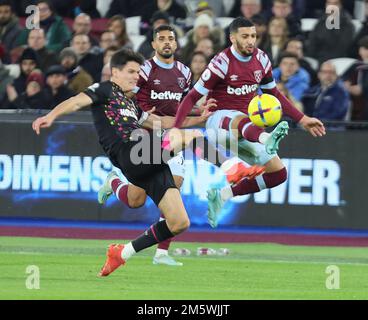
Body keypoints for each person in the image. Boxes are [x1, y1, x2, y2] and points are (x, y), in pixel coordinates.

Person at [32, 48, 263, 276]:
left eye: (138, 72)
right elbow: (75, 101)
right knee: (190, 138)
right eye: (131, 72)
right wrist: (50, 116)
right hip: (129, 153)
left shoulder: (132, 105)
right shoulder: (104, 90)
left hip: (146, 159)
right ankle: (231, 168)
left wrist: (198, 118)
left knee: (179, 222)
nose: (136, 77)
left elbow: (159, 122)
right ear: (115, 72)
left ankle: (122, 253)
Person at [98, 25, 263, 266]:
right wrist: (137, 113)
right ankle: (113, 181)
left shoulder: (184, 72)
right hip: (145, 137)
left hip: (171, 134)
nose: (166, 43)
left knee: (175, 185)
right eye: (161, 39)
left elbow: (181, 104)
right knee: (136, 200)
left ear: (176, 44)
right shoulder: (143, 70)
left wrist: (200, 110)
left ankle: (162, 253)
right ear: (153, 44)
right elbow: (124, 94)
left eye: (170, 39)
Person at [170, 17, 326, 228]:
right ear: (232, 38)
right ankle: (268, 137)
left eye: (253, 36)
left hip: (245, 130)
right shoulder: (221, 62)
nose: (250, 40)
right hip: (220, 123)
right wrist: (176, 129)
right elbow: (190, 97)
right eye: (245, 36)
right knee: (241, 119)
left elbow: (275, 95)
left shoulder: (262, 60)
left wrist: (303, 118)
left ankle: (223, 194)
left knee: (278, 174)